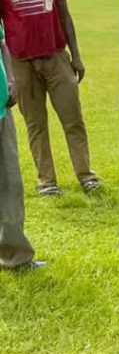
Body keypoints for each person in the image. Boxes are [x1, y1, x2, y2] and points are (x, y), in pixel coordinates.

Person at [0, 0, 100, 197]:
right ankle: (47, 181)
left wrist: (76, 56)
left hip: (55, 57)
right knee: (35, 124)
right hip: (21, 63)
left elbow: (64, 15)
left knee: (73, 119)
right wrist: (7, 74)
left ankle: (86, 174)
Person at [0, 23, 44, 272]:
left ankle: (15, 257)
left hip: (2, 107)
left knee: (10, 184)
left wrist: (11, 81)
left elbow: (2, 44)